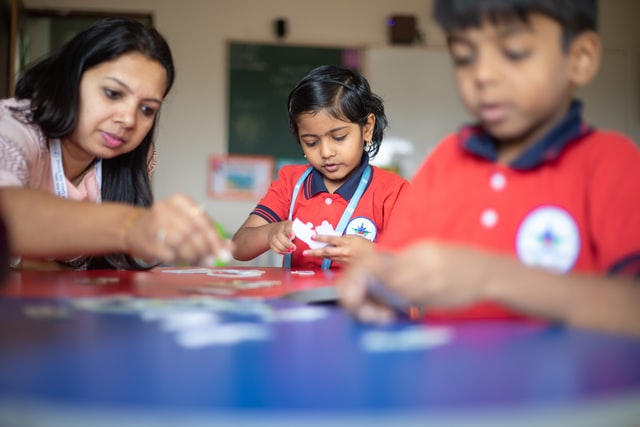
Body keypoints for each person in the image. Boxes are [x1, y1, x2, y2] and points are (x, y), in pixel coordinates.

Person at [337, 0, 640, 337]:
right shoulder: (447, 160)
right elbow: (391, 262)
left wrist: (492, 277)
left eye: (514, 51)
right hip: (446, 384)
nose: (482, 75)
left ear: (580, 58)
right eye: (465, 57)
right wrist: (371, 279)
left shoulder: (611, 163)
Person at [0, 17, 231, 270]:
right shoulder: (13, 127)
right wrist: (131, 224)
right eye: (112, 93)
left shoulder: (136, 157)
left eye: (146, 109)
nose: (128, 119)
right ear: (70, 78)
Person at [232, 65, 408, 269]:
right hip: (297, 301)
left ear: (367, 128)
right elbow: (238, 248)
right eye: (311, 142)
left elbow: (417, 266)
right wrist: (269, 233)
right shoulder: (291, 183)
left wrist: (373, 255)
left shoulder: (394, 192)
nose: (326, 152)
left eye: (339, 137)